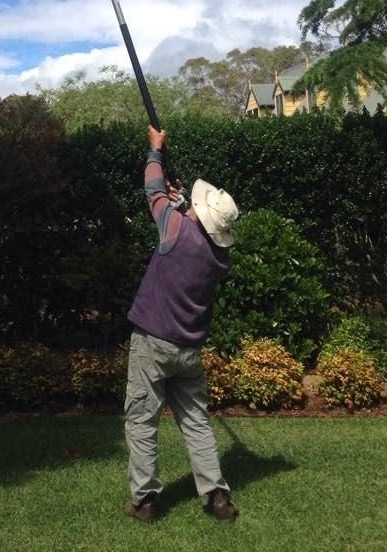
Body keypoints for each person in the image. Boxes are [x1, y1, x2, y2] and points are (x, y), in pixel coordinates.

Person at [123, 124, 239, 524]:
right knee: (196, 422)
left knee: (141, 420)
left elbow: (153, 192)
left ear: (198, 218)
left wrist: (155, 151)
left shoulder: (175, 228)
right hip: (189, 350)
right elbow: (181, 216)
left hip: (152, 345)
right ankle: (217, 495)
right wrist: (181, 202)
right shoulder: (218, 259)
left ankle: (145, 501)